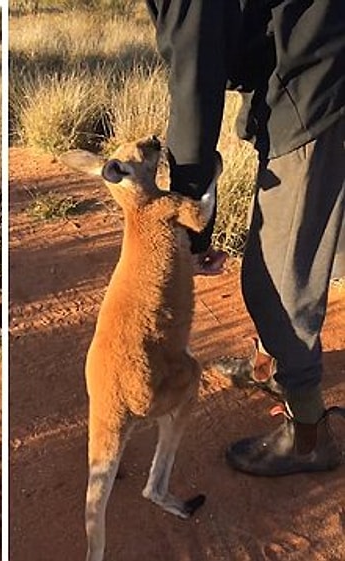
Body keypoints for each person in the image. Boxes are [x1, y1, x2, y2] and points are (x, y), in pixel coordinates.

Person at [147, 0, 344, 476]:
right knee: (316, 246)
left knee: (276, 283)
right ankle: (272, 365)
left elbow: (195, 85)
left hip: (321, 85)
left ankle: (307, 436)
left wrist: (191, 231)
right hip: (316, 66)